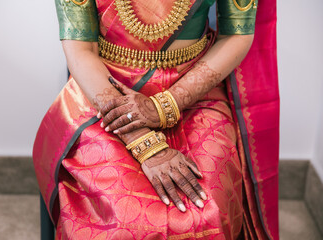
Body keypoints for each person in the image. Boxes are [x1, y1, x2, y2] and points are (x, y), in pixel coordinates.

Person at [33, 0, 279, 239]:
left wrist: (163, 105)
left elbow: (236, 35)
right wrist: (144, 143)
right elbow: (81, 51)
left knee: (209, 210)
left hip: (195, 88)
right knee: (120, 220)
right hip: (105, 89)